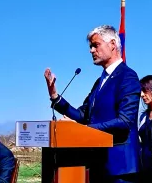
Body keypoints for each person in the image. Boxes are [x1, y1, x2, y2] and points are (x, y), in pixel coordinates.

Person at [44, 25, 141, 183]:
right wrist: (55, 96)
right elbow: (83, 115)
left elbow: (124, 122)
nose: (91, 50)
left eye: (96, 45)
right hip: (98, 164)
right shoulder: (100, 81)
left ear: (112, 44)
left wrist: (83, 129)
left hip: (120, 168)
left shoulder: (127, 77)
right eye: (90, 46)